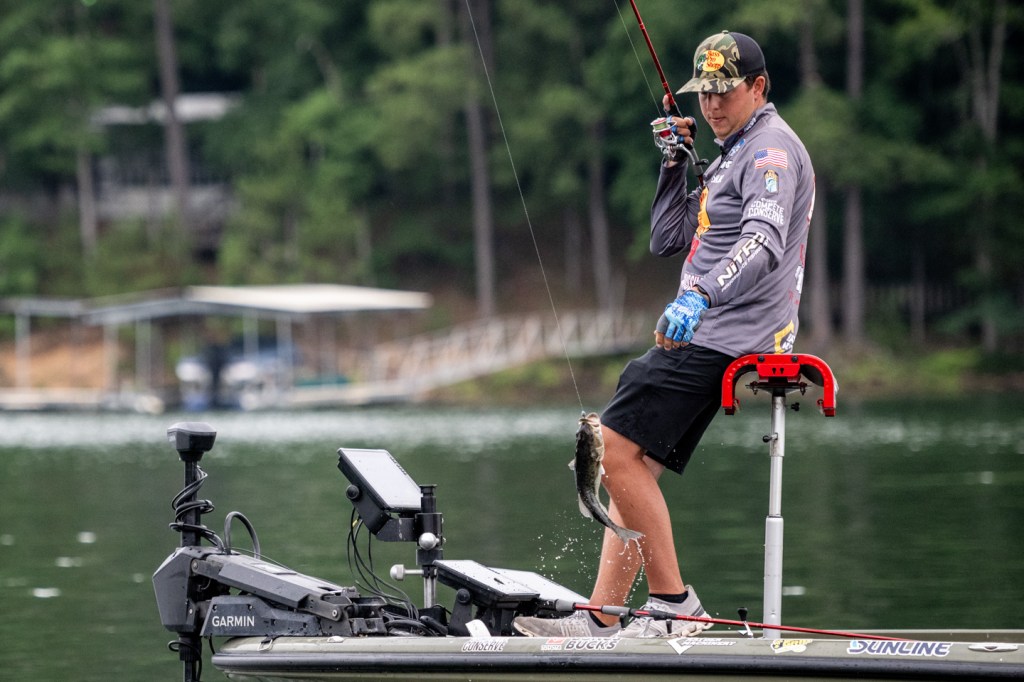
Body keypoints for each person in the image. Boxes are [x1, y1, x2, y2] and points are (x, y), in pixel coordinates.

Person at [513, 30, 815, 638]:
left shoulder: (770, 152)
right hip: (715, 329)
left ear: (759, 87)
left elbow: (762, 241)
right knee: (631, 465)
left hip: (731, 332)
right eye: (704, 93)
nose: (712, 104)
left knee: (612, 446)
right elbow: (668, 239)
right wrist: (674, 165)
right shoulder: (732, 153)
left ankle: (676, 605)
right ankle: (602, 619)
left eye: (725, 91)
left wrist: (702, 296)